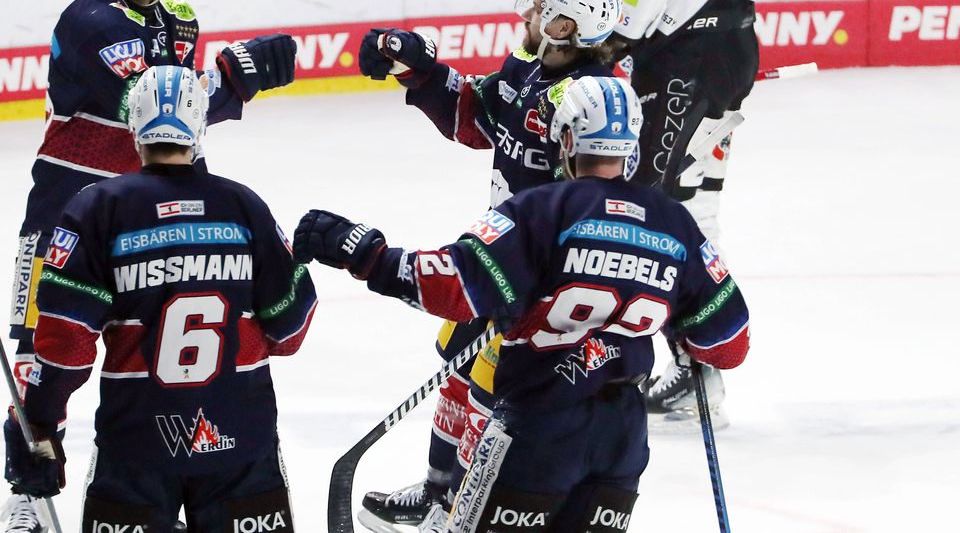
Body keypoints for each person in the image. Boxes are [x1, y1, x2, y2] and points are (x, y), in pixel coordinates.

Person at [293, 76, 750, 532]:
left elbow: (451, 285)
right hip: (623, 438)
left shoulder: (542, 208)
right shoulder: (675, 223)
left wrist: (365, 254)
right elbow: (729, 344)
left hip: (539, 425)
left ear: (567, 137)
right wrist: (674, 320)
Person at [3, 0, 299, 530]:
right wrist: (238, 77)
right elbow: (153, 102)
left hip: (143, 219)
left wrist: (227, 80)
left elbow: (179, 117)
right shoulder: (91, 21)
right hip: (66, 216)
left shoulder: (181, 19)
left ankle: (134, 466)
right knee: (42, 348)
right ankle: (26, 493)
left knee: (148, 348)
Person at [352, 0, 624, 530]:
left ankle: (461, 510)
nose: (527, 14)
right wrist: (419, 71)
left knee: (488, 391)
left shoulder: (583, 101)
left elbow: (594, 198)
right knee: (456, 368)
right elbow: (477, 119)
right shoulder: (529, 68)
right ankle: (437, 491)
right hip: (499, 250)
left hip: (537, 276)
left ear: (564, 25)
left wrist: (534, 281)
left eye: (540, 8)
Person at [3, 65, 317, 533]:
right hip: (241, 444)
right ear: (200, 127)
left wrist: (39, 425)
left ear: (134, 126)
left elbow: (65, 348)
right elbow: (290, 330)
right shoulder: (243, 207)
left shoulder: (97, 209)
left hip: (137, 449)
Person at [604, 0, 759, 421]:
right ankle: (699, 366)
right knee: (696, 209)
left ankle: (686, 366)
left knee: (642, 211)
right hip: (730, 50)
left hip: (680, 66)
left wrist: (613, 39)